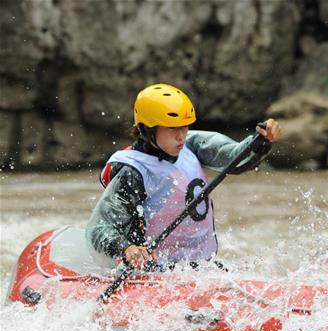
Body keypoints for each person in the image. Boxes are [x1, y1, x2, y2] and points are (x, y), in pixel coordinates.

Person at [86, 83, 282, 270]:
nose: (181, 136)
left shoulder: (192, 144)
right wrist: (127, 248)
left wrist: (260, 142)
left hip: (201, 268)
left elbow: (234, 158)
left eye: (184, 126)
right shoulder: (133, 172)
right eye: (172, 128)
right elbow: (100, 228)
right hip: (152, 273)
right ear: (147, 129)